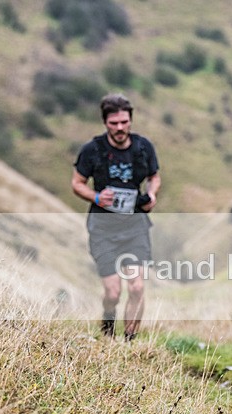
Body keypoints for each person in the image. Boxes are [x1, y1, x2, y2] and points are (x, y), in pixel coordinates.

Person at [71, 94, 161, 341]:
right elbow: (77, 183)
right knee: (113, 292)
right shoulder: (92, 150)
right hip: (103, 228)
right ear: (105, 123)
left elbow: (154, 176)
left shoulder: (143, 147)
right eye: (114, 123)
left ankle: (129, 341)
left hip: (135, 226)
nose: (119, 128)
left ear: (130, 120)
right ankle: (108, 324)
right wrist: (97, 197)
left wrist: (151, 194)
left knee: (137, 287)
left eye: (124, 122)